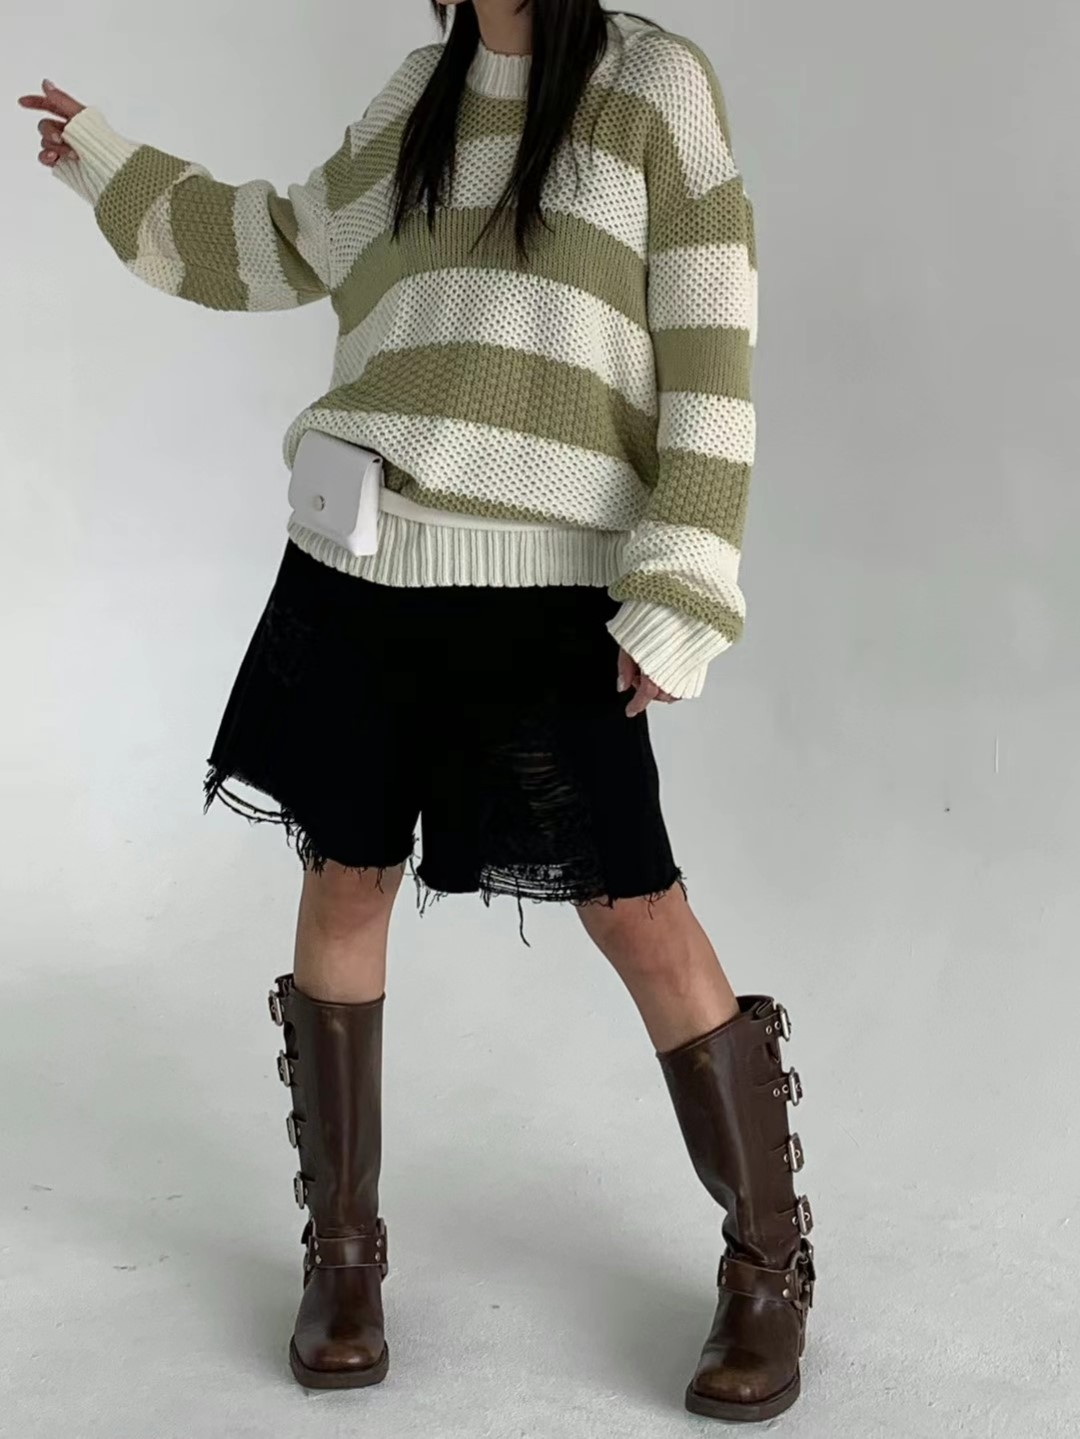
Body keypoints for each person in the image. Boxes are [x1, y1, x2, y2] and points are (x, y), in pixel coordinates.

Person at [19, 0, 814, 1420]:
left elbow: (713, 353)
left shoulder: (653, 88)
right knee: (346, 882)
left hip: (552, 591)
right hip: (359, 577)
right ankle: (343, 1260)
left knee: (636, 909)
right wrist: (106, 161)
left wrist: (682, 581)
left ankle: (769, 1263)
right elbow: (274, 243)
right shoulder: (416, 96)